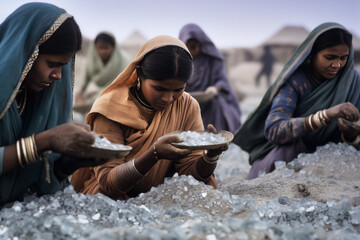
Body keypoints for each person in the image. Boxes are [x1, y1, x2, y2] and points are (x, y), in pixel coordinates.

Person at [70, 35, 229, 200]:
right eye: (159, 88)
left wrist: (209, 157)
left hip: (151, 199)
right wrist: (154, 154)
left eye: (178, 90)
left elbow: (191, 174)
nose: (168, 98)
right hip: (108, 199)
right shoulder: (110, 108)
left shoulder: (187, 105)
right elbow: (109, 183)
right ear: (139, 74)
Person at [0, 3, 108, 205]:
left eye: (62, 67)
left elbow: (37, 188)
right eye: (52, 64)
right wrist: (42, 142)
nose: (58, 75)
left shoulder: (38, 99)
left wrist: (65, 165)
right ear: (27, 53)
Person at [233, 22, 360, 179]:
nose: (337, 64)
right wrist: (325, 116)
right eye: (329, 57)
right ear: (312, 54)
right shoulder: (296, 82)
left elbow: (354, 144)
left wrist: (351, 135)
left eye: (344, 58)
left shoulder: (354, 83)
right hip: (293, 156)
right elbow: (274, 129)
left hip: (334, 162)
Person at [178, 23, 241, 133]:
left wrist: (214, 89)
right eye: (192, 46)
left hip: (208, 101)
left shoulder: (212, 59)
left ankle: (214, 140)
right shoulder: (177, 60)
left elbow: (222, 79)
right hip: (184, 100)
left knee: (217, 104)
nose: (196, 49)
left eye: (199, 46)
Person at [75, 32, 130, 116]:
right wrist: (81, 93)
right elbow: (85, 81)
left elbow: (123, 86)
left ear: (113, 48)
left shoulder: (124, 62)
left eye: (106, 48)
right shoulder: (92, 61)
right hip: (98, 94)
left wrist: (98, 93)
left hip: (119, 97)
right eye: (100, 48)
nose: (103, 51)